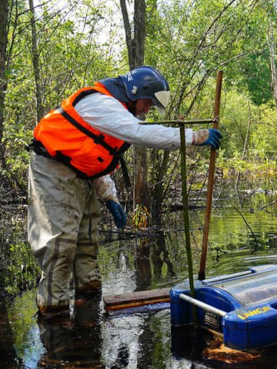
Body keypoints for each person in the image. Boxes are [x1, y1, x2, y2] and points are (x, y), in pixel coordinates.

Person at [28, 65, 222, 318]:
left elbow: (94, 155)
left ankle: (88, 303)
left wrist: (110, 197)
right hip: (52, 169)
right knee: (61, 243)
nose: (146, 110)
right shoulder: (100, 103)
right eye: (147, 103)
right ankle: (54, 313)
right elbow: (139, 133)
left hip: (82, 173)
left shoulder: (116, 112)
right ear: (134, 93)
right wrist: (193, 137)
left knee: (87, 239)